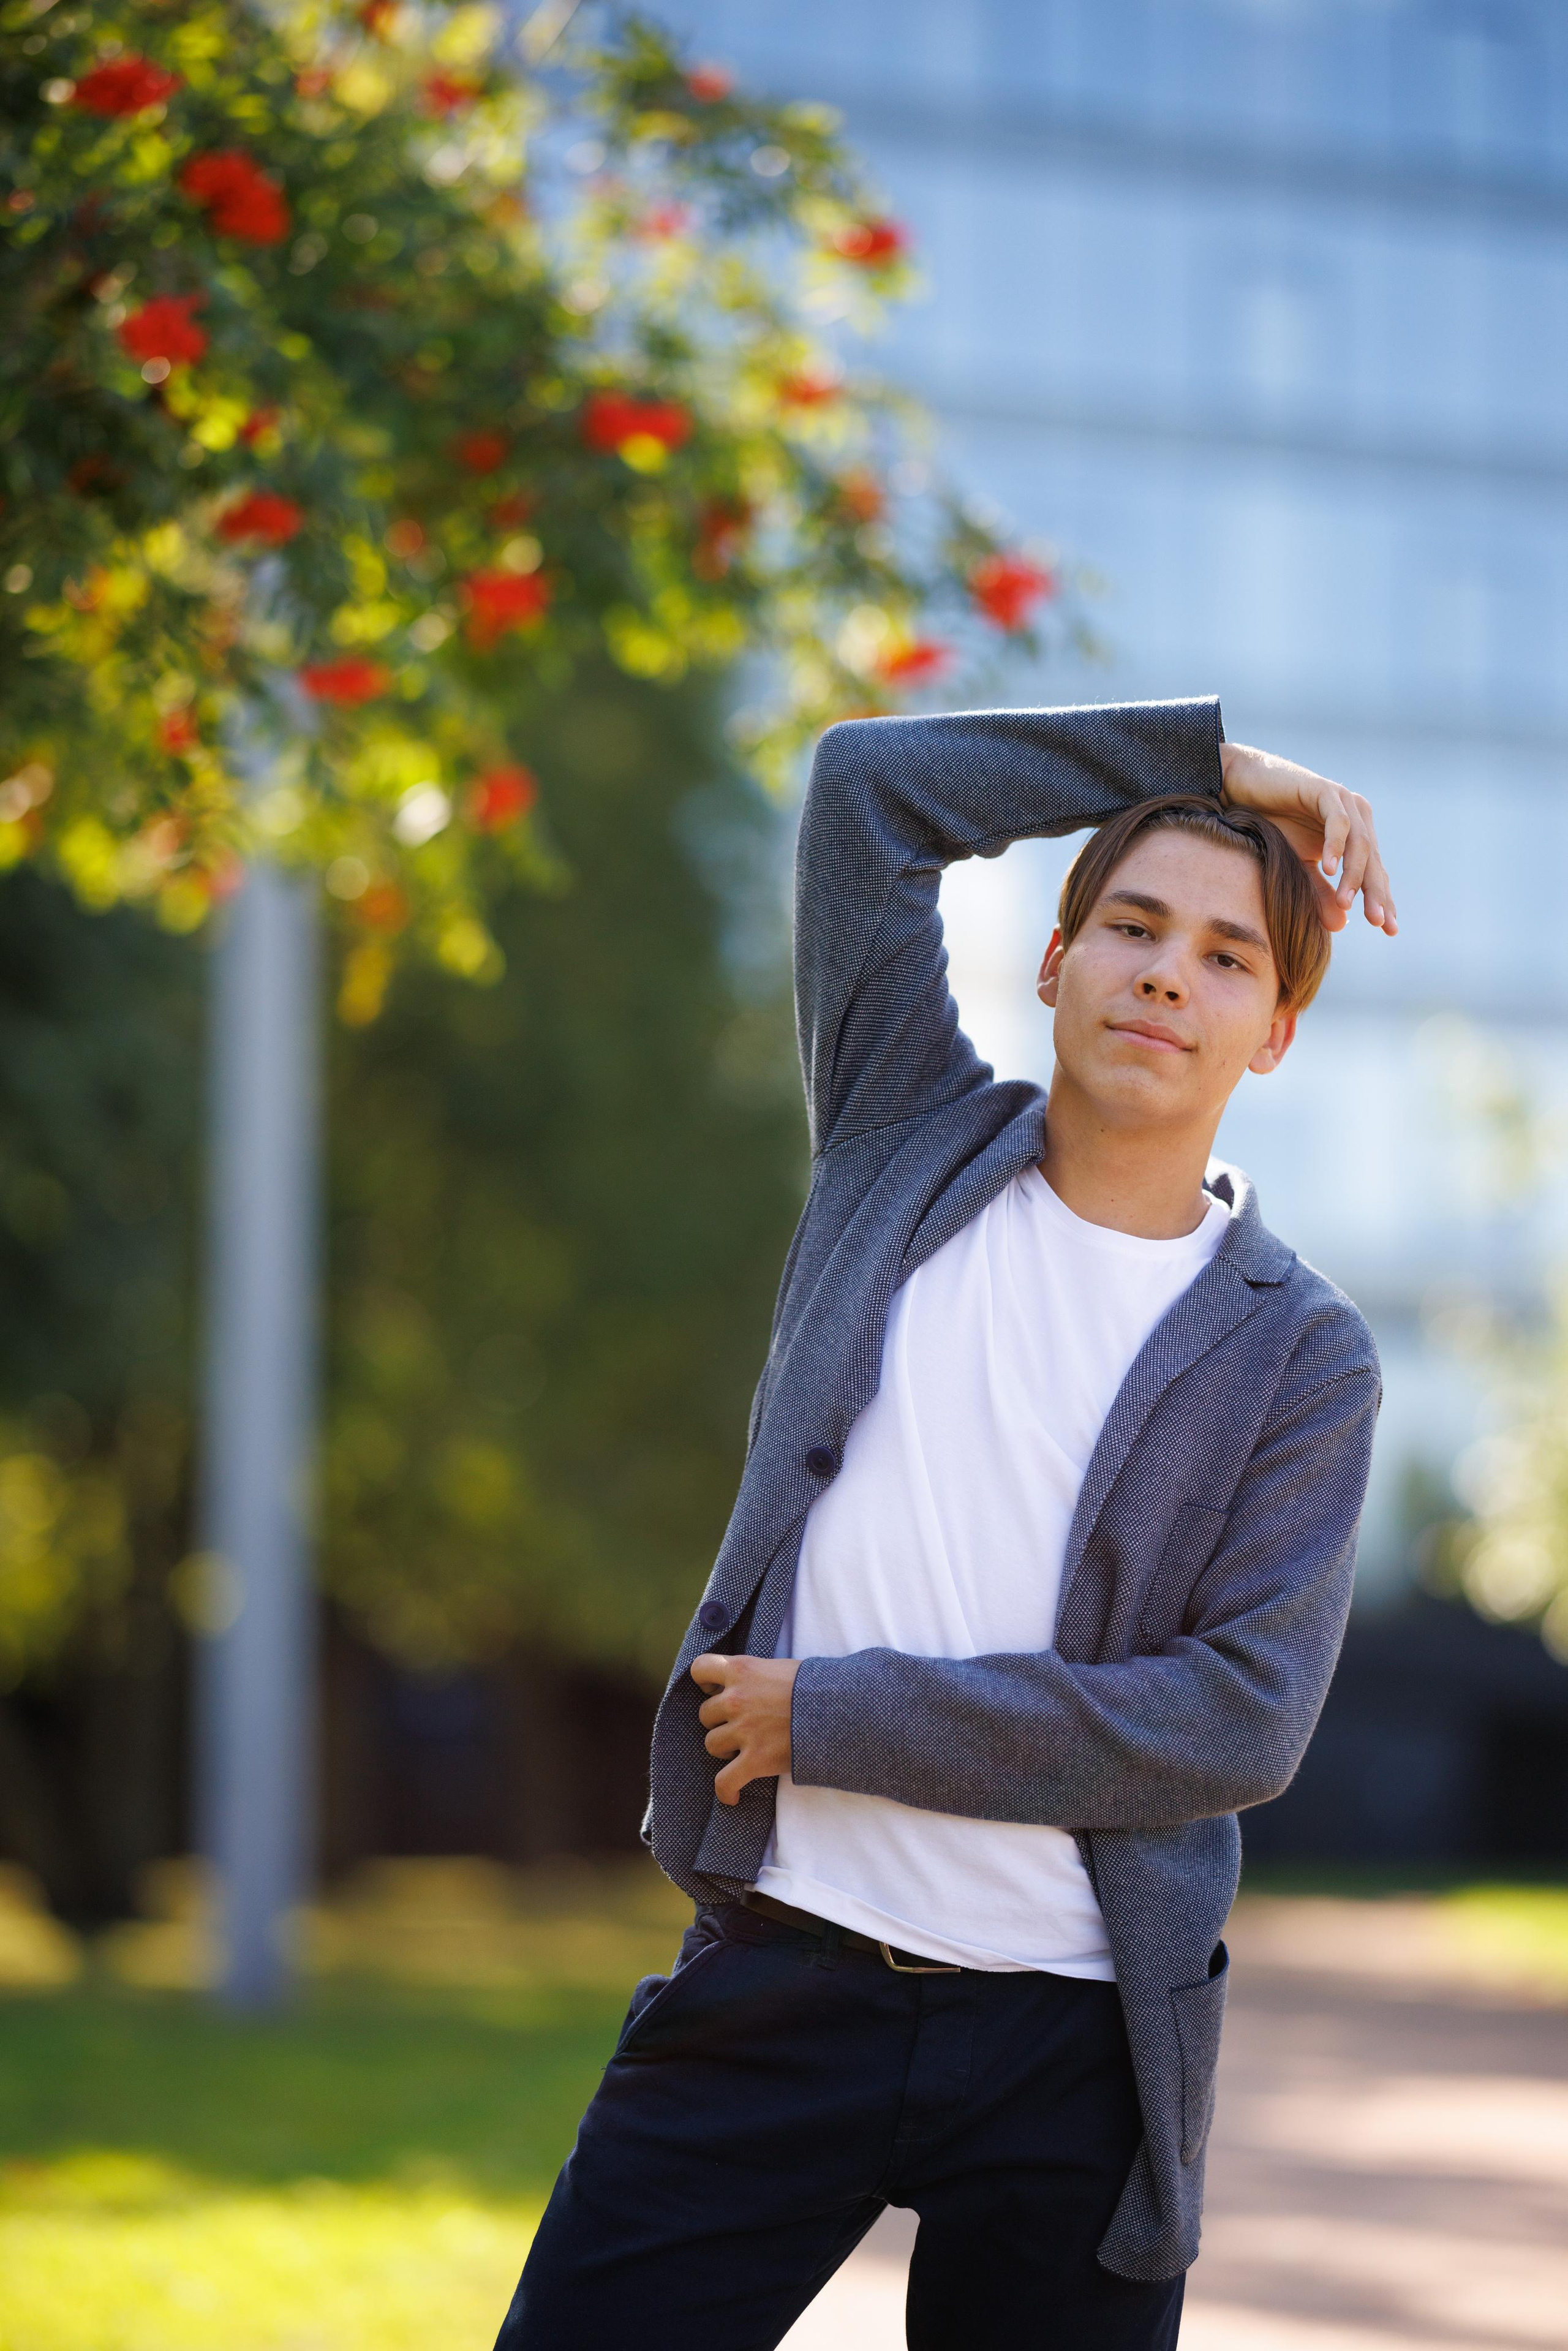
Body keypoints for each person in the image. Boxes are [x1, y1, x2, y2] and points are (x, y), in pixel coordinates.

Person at [494, 698, 1395, 2350]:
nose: (1166, 977)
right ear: (1054, 958)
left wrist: (842, 1719)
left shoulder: (1301, 1353)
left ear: (1273, 1032)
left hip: (1080, 2046)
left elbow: (1240, 1721)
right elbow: (867, 794)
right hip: (785, 1972)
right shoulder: (902, 1137)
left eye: (1226, 958)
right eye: (1133, 927)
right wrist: (1204, 763)